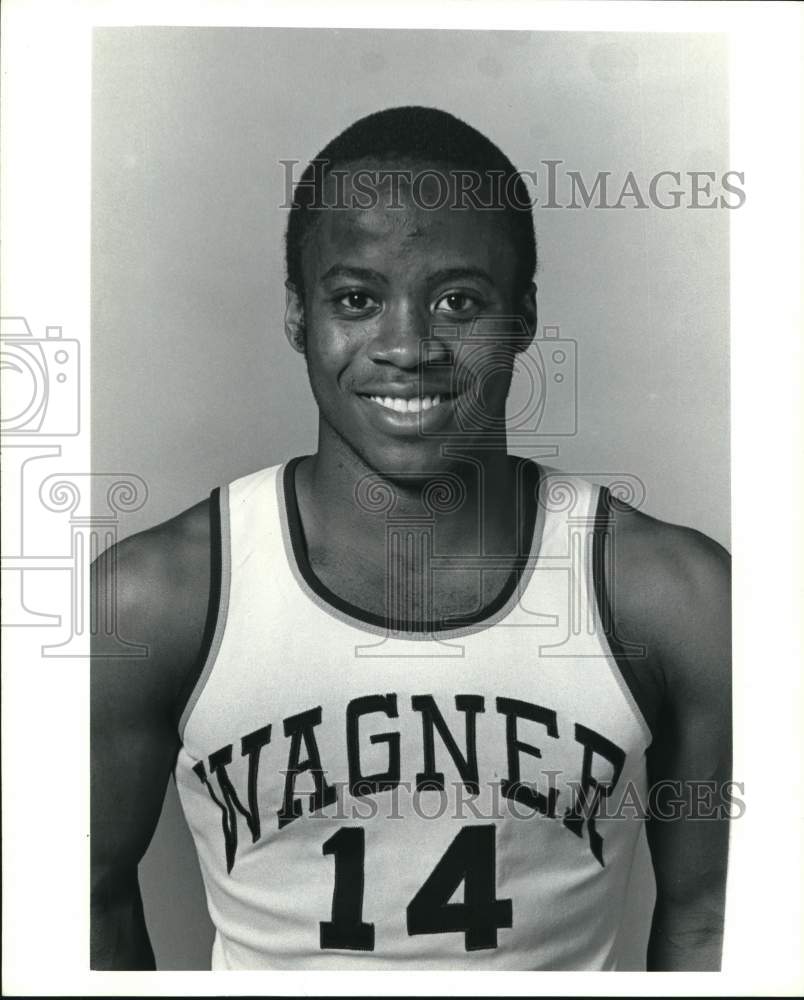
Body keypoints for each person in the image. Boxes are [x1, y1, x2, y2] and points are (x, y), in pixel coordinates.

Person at [90, 106, 731, 971]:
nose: (407, 346)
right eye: (357, 299)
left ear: (525, 316)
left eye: (459, 301)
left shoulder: (675, 596)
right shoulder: (153, 600)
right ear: (296, 315)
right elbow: (77, 896)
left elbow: (709, 921)